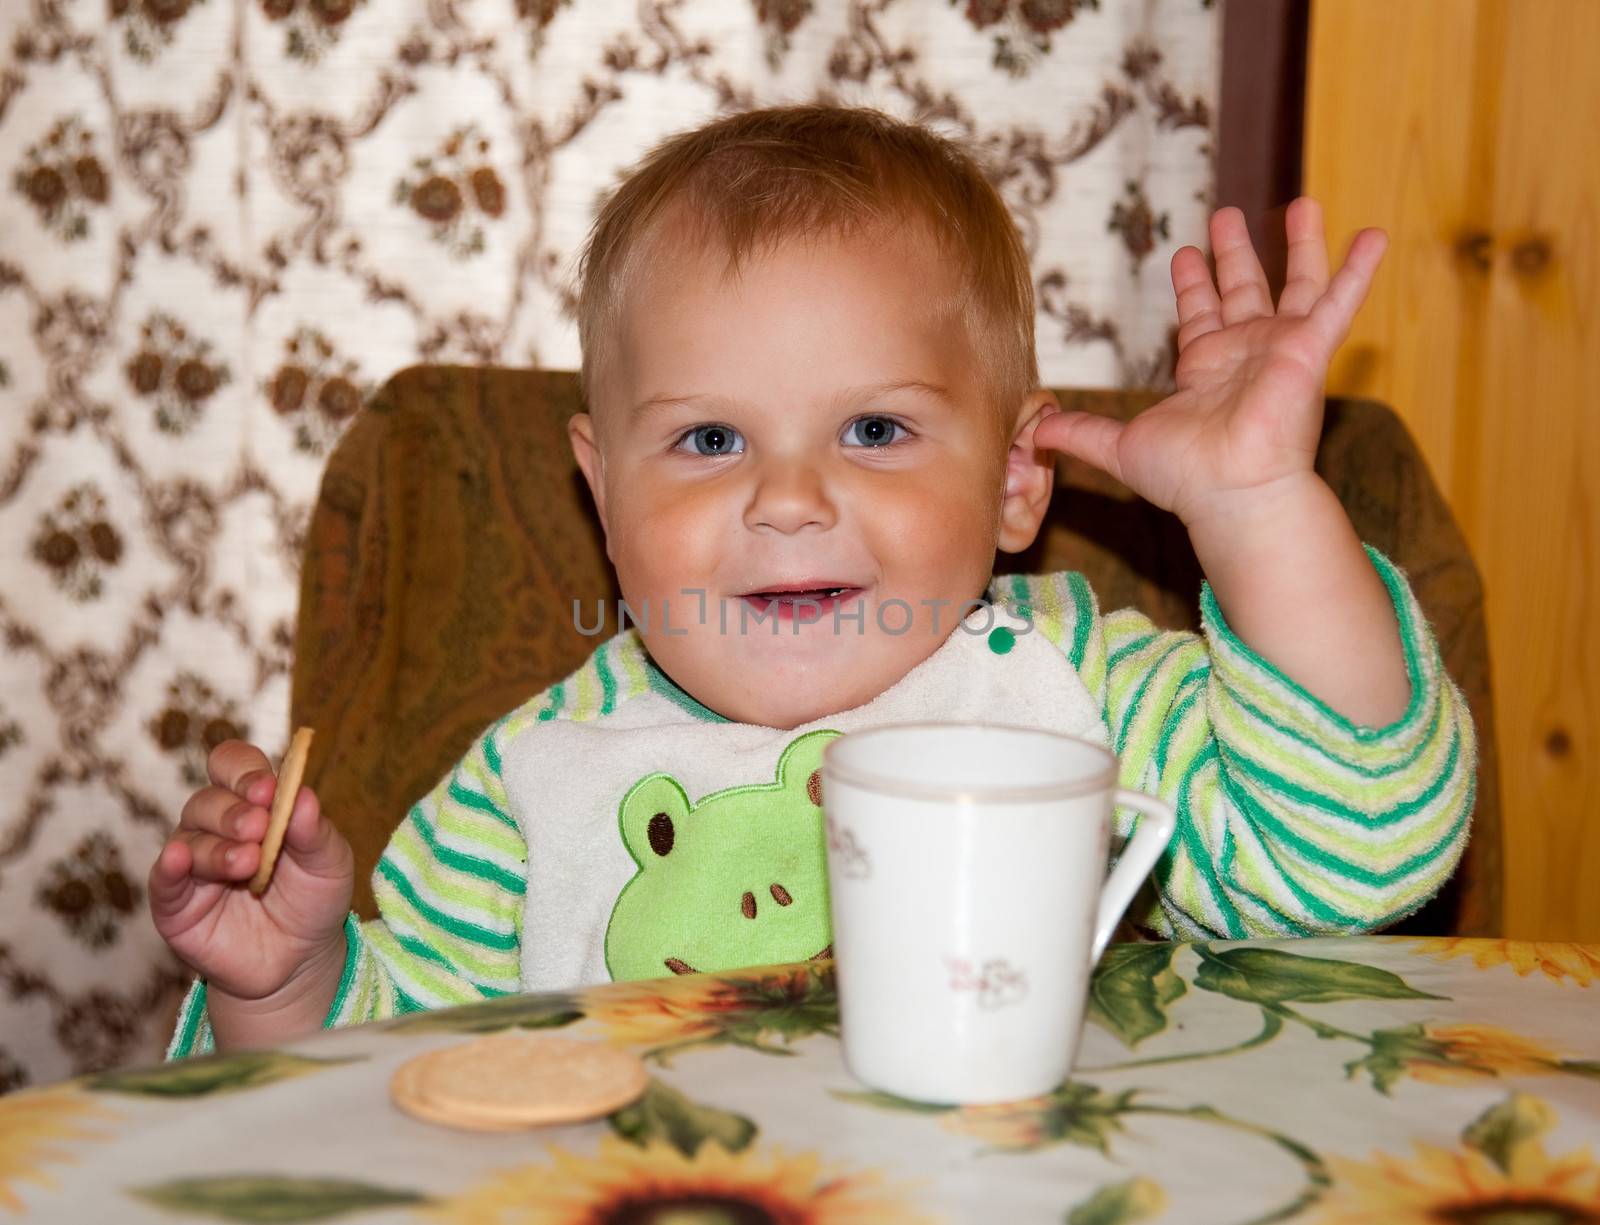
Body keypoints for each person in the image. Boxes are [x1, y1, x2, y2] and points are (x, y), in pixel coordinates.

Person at [151, 105, 1475, 1057]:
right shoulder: (532, 776)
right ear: (604, 493)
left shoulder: (1080, 683)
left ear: (1019, 482)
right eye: (712, 438)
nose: (787, 497)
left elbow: (1353, 853)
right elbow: (396, 1083)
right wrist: (292, 983)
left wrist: (1255, 515)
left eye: (876, 429)